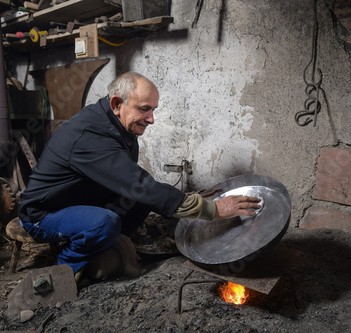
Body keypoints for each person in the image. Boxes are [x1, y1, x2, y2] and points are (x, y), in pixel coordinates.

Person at [17, 72, 261, 281]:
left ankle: (104, 244)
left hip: (79, 201)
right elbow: (140, 185)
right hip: (43, 214)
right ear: (116, 104)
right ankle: (67, 267)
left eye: (153, 109)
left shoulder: (118, 124)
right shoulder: (90, 136)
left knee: (139, 202)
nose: (151, 119)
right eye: (144, 109)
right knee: (105, 222)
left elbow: (137, 185)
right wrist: (213, 209)